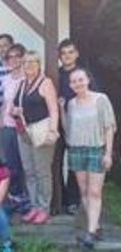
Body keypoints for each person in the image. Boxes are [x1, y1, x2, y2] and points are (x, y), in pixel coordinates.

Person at [61, 68, 116, 250]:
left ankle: (91, 232)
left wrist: (108, 153)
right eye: (74, 81)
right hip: (76, 150)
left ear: (87, 80)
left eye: (80, 80)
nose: (78, 83)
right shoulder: (71, 104)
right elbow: (68, 128)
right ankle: (95, 226)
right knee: (84, 191)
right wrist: (61, 109)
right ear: (71, 85)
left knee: (95, 192)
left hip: (96, 149)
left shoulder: (101, 99)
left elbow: (109, 127)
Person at [12, 51, 59, 224]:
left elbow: (54, 109)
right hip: (24, 132)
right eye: (25, 62)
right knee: (29, 171)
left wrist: (53, 131)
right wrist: (14, 111)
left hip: (41, 132)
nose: (29, 65)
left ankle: (44, 207)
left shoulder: (45, 83)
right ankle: (34, 206)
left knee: (42, 171)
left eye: (32, 62)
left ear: (39, 64)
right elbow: (14, 106)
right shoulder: (21, 83)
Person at [57, 39, 98, 214]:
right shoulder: (55, 73)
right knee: (56, 164)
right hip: (58, 125)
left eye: (70, 52)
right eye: (64, 53)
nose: (67, 56)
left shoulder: (83, 75)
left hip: (79, 127)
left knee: (76, 165)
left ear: (77, 54)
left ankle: (74, 201)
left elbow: (94, 98)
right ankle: (60, 199)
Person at [0, 44, 27, 200]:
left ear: (23, 57)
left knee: (26, 162)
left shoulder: (28, 77)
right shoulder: (6, 80)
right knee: (11, 161)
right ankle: (16, 194)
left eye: (17, 56)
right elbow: (5, 101)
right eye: (10, 57)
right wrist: (1, 119)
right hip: (8, 125)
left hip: (25, 126)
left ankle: (29, 196)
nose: (14, 59)